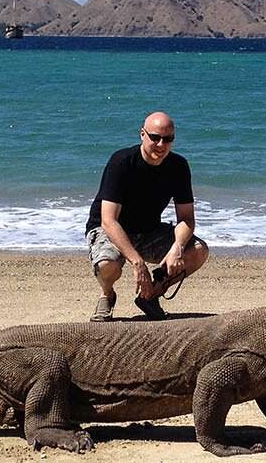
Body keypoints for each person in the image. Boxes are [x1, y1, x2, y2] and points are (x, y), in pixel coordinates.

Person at [85, 111, 210, 321]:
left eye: (168, 139)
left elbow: (186, 218)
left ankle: (151, 295)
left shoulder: (178, 166)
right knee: (108, 266)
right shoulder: (122, 162)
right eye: (155, 138)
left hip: (149, 229)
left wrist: (177, 249)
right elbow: (108, 220)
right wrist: (137, 263)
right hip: (111, 230)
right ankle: (107, 294)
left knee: (197, 251)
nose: (161, 145)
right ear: (142, 134)